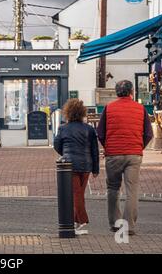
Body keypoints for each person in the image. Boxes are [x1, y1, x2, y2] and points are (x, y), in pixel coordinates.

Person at [97, 80, 153, 236]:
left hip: (113, 154)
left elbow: (100, 133)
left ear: (116, 92)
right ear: (132, 92)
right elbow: (149, 134)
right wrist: (138, 147)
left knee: (113, 188)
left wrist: (108, 147)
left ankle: (115, 223)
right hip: (133, 155)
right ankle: (129, 226)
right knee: (132, 190)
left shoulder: (108, 108)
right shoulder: (141, 109)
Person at [54, 98, 99, 235]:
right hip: (86, 165)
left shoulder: (62, 128)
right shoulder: (89, 129)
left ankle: (81, 220)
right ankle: (75, 222)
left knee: (75, 194)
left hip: (69, 166)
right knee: (78, 194)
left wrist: (66, 154)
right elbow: (94, 150)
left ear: (67, 112)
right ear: (82, 112)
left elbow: (57, 145)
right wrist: (96, 169)